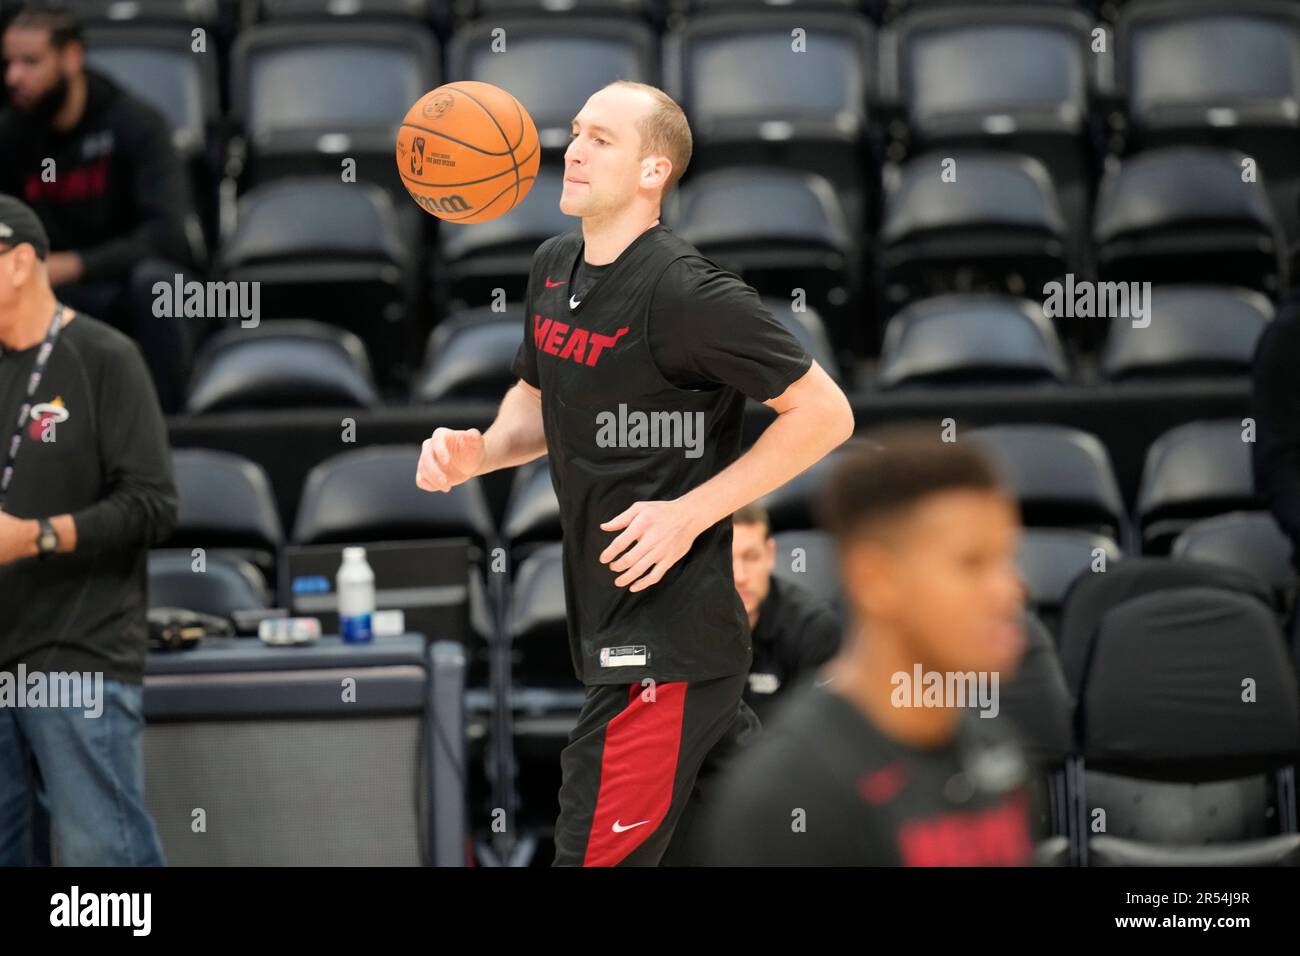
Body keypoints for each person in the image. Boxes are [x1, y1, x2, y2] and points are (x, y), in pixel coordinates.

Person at [416, 80, 855, 866]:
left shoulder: (688, 293)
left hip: (661, 647)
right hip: (646, 635)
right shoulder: (553, 267)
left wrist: (690, 512)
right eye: (576, 132)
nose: (574, 150)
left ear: (655, 171)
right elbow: (535, 401)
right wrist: (477, 451)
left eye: (602, 140)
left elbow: (827, 414)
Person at [705, 427, 1037, 865]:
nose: (1012, 590)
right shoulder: (786, 793)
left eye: (1008, 559)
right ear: (876, 580)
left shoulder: (1001, 751)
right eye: (972, 563)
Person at [0, 193, 177, 866]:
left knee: (101, 856)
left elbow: (153, 504)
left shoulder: (105, 357)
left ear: (19, 262)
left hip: (76, 652)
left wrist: (34, 537)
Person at [0, 2, 196, 413]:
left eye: (30, 62)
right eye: (9, 62)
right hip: (48, 288)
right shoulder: (12, 134)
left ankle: (170, 429)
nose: (14, 77)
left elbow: (167, 236)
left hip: (120, 282)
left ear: (71, 58)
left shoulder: (135, 124)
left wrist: (72, 264)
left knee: (158, 285)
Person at [731, 501, 843, 724]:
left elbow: (825, 728)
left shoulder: (813, 627)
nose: (740, 576)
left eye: (751, 557)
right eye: (727, 560)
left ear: (770, 555)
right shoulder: (693, 622)